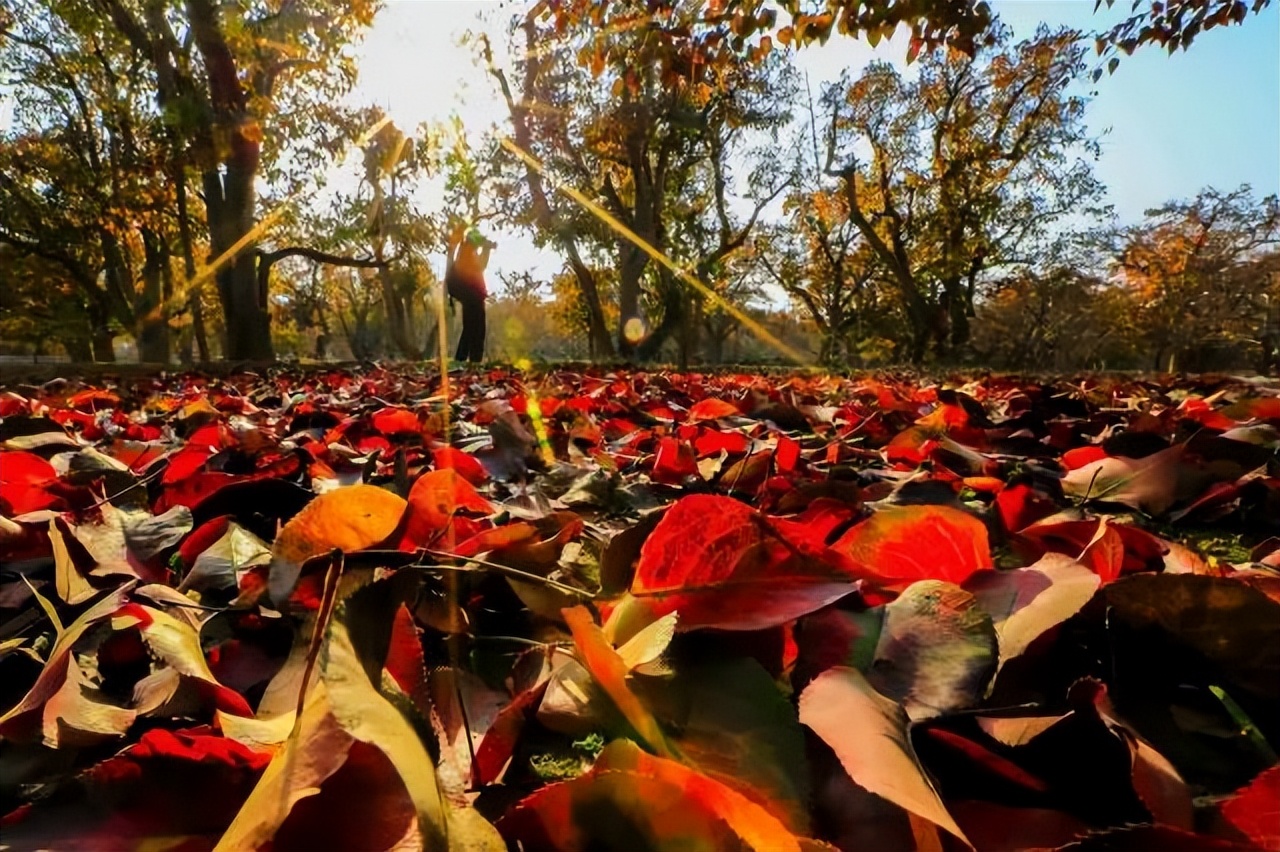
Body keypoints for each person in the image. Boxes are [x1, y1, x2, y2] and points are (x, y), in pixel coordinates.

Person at [445, 222, 495, 363]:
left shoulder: (467, 251)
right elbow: (480, 266)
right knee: (477, 329)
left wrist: (486, 249)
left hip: (472, 295)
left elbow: (480, 266)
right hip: (472, 295)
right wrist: (486, 249)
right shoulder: (466, 251)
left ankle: (462, 359)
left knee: (470, 328)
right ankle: (473, 360)